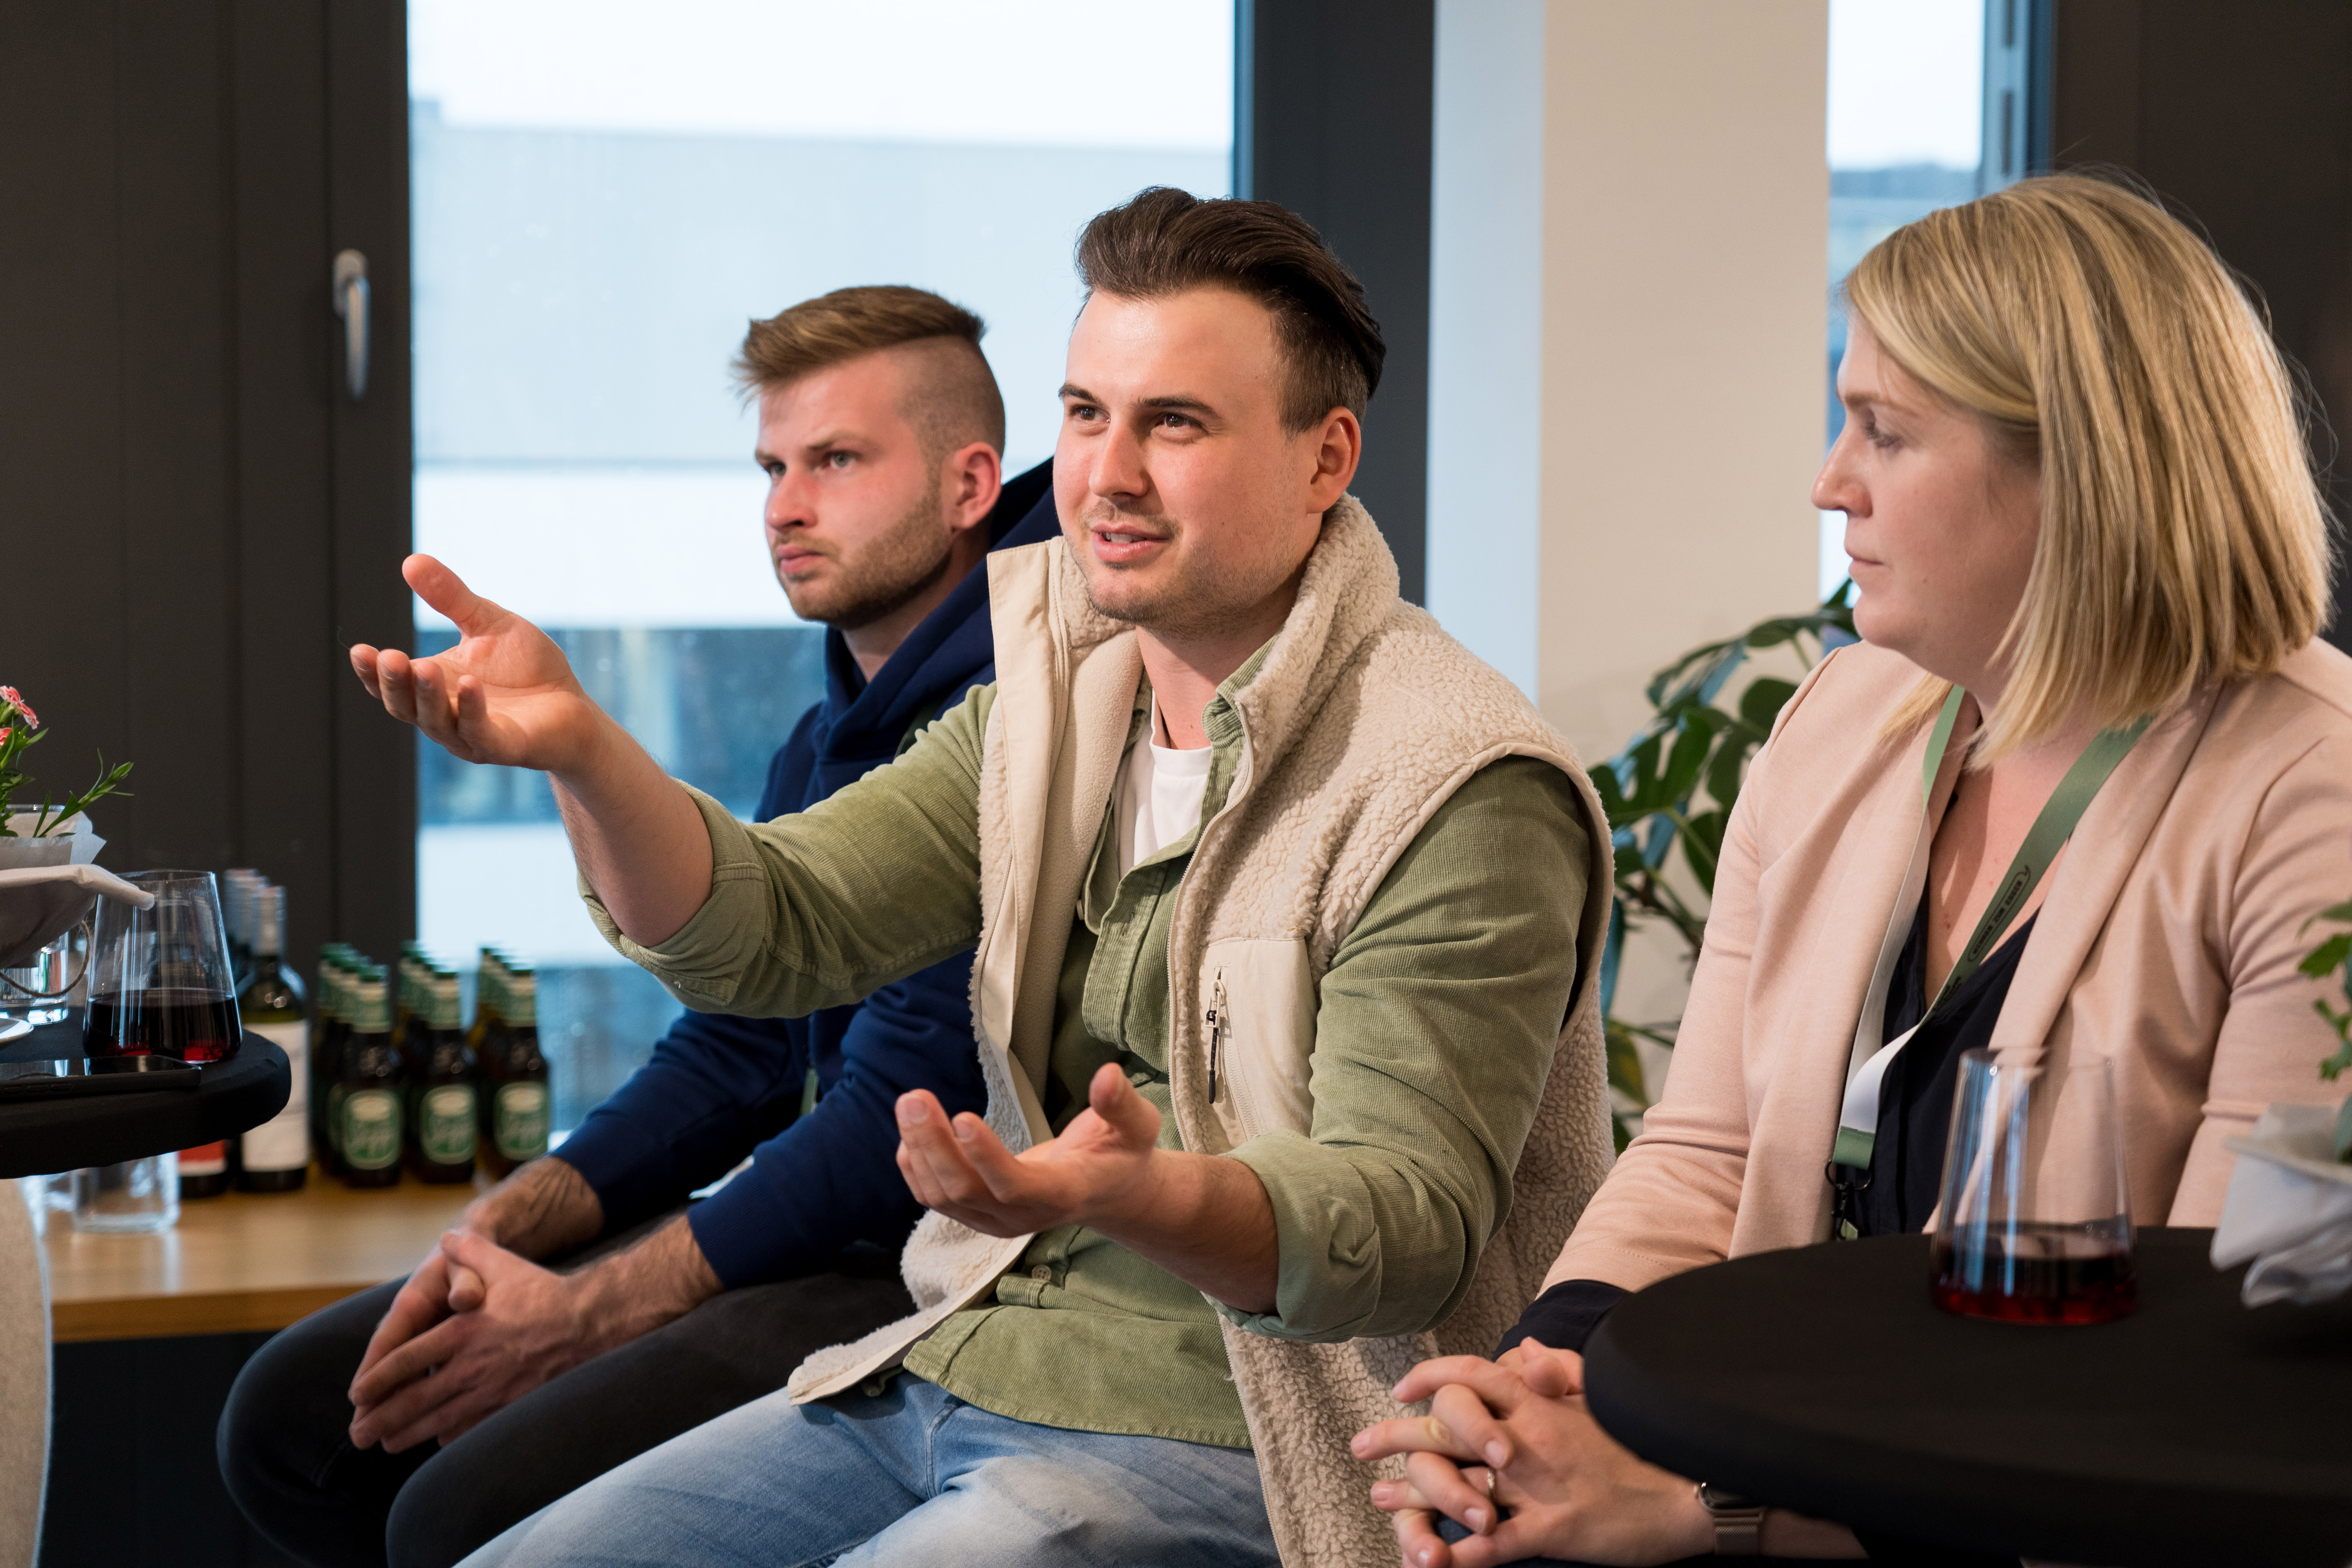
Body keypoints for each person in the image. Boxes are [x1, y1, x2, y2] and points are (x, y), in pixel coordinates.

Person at [347, 186, 1617, 1568]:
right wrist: (585, 753)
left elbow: (1403, 1231)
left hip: (1266, 1436)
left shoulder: (1455, 777)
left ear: (1327, 460)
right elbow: (774, 929)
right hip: (959, 1358)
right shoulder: (1051, 706)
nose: (1106, 474)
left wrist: (1134, 1194)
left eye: (1173, 423)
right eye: (1086, 414)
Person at [1354, 173, 2352, 1565]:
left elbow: (2226, 1374)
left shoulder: (2314, 790)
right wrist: (1547, 1379)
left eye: (1884, 431)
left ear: (2079, 469)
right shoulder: (1847, 721)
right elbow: (1705, 1153)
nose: (1830, 482)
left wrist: (1718, 1513)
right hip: (1788, 1459)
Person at [220, 285, 1062, 1568]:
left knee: (452, 1511)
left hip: (923, 1269)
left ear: (970, 486)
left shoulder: (1020, 727)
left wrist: (586, 1314)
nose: (786, 506)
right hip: (808, 1230)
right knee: (292, 1421)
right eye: (773, 467)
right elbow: (739, 1050)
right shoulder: (822, 736)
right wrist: (516, 1220)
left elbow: (884, 1126)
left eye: (837, 461)